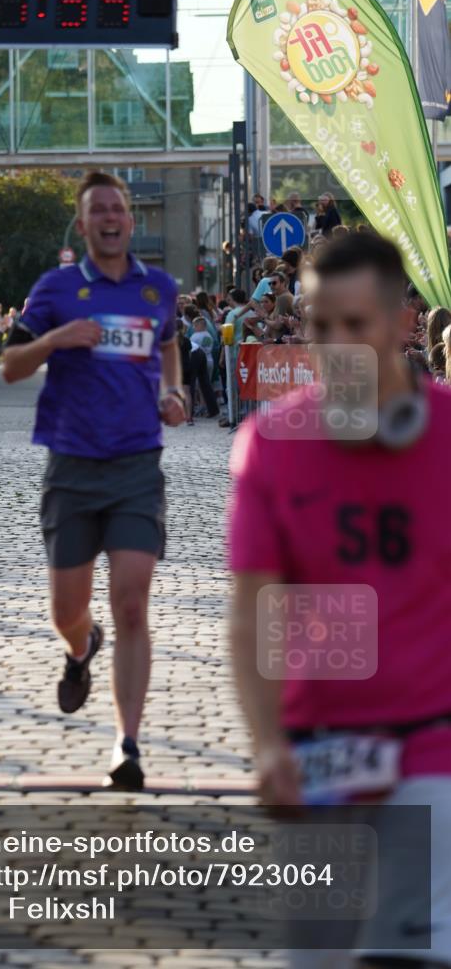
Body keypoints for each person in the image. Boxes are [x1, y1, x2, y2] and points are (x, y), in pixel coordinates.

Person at [228, 232, 451, 969]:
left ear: (399, 323)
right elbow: (254, 608)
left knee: (407, 948)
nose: (335, 344)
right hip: (317, 753)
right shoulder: (271, 441)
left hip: (433, 746)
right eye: (320, 325)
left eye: (355, 325)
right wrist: (265, 745)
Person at [2, 170, 186, 790]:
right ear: (82, 226)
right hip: (72, 467)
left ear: (130, 220)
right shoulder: (54, 289)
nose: (110, 217)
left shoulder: (158, 289)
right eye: (97, 211)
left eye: (119, 208)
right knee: (68, 610)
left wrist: (174, 390)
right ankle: (81, 649)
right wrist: (55, 339)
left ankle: (125, 746)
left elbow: (168, 346)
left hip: (137, 464)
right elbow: (9, 368)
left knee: (133, 601)